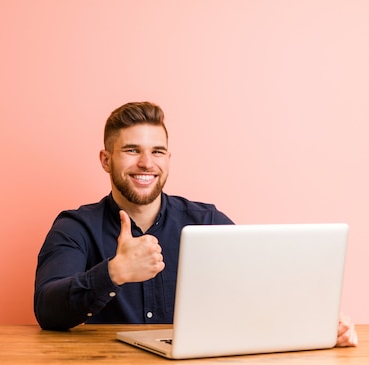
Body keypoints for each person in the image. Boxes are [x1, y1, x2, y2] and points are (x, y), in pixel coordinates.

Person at [33, 101, 358, 347]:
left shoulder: (208, 223)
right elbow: (47, 309)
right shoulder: (75, 227)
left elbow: (264, 289)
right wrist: (114, 272)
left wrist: (319, 323)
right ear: (106, 159)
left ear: (168, 160)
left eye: (157, 151)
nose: (146, 163)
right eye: (132, 150)